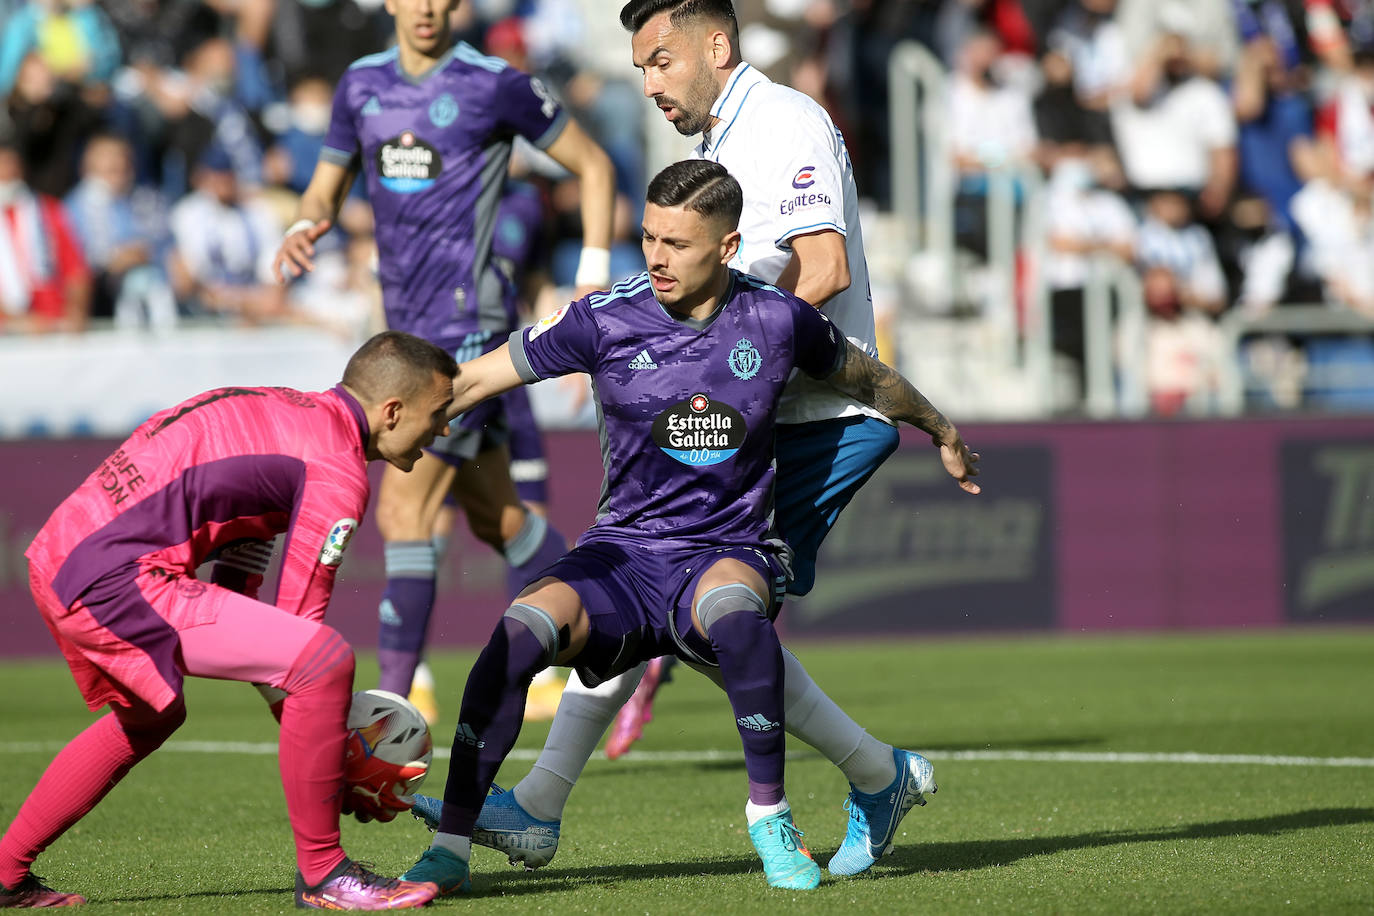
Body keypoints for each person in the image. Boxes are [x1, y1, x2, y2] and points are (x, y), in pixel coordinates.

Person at [453, 0, 952, 881]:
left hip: (816, 421)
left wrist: (714, 349)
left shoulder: (783, 123)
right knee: (658, 583)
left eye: (660, 61)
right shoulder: (717, 148)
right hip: (760, 414)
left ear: (716, 46)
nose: (648, 85)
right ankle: (543, 802)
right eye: (640, 68)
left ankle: (872, 776)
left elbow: (824, 266)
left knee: (710, 619)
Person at [0, 330, 458, 910]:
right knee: (324, 658)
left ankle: (5, 874)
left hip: (66, 557)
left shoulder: (290, 414)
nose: (445, 430)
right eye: (439, 413)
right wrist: (342, 753)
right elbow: (301, 636)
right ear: (392, 411)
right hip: (111, 573)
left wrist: (320, 740)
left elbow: (237, 587)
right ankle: (324, 874)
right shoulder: (336, 466)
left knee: (148, 718)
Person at [272, 0, 617, 706]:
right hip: (400, 331)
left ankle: (398, 704)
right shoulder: (360, 86)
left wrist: (592, 271)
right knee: (500, 520)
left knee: (404, 512)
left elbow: (594, 163)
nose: (428, 7)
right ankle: (620, 615)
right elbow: (327, 186)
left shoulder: (492, 84)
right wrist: (309, 220)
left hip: (466, 332)